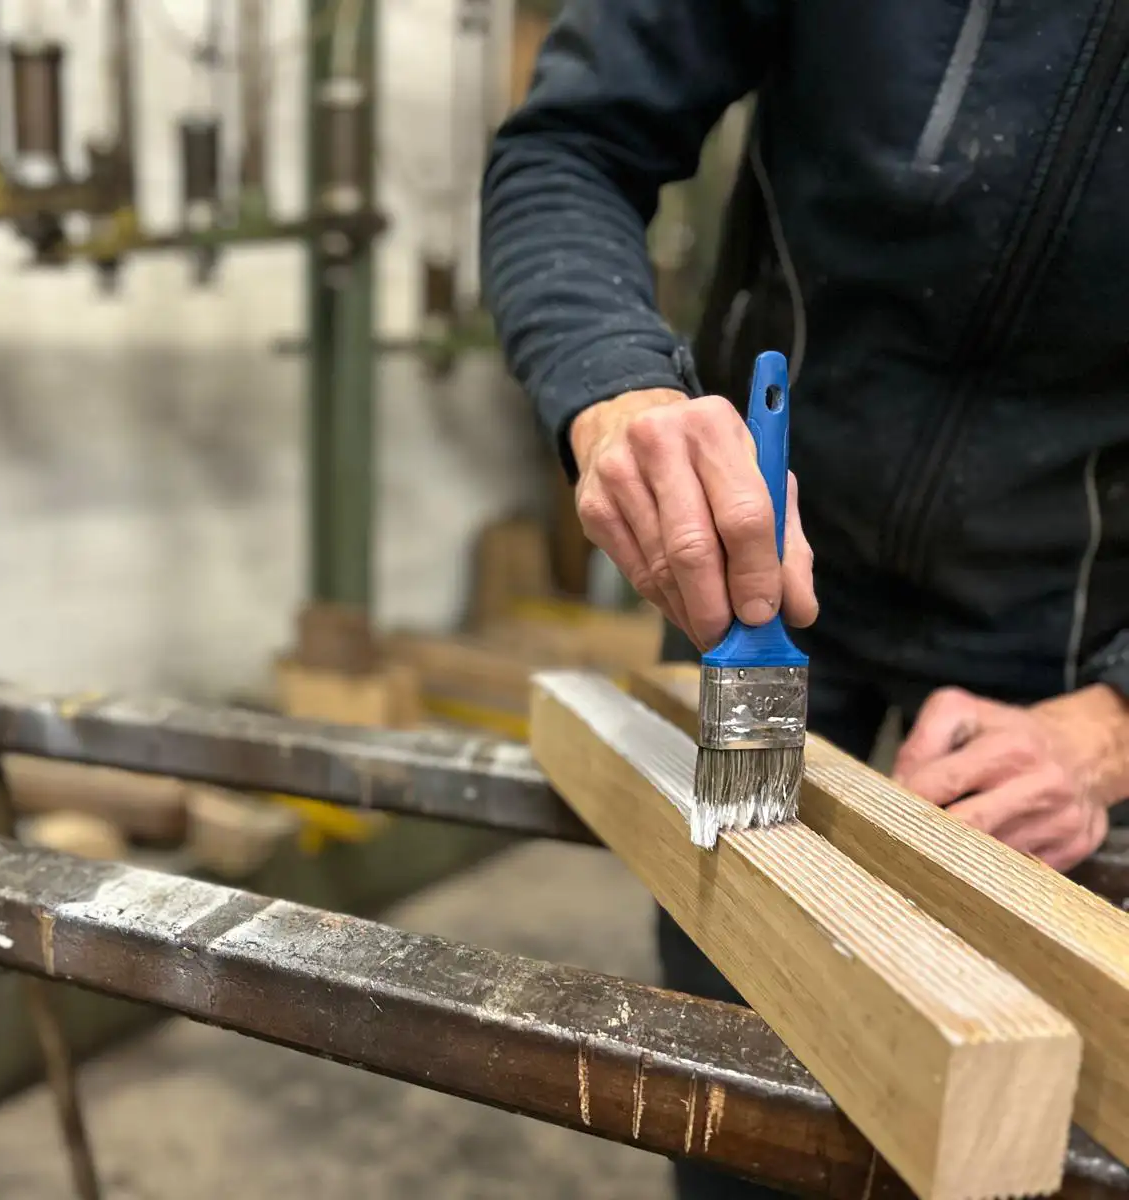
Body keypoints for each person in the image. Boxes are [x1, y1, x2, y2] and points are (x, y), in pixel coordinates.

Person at [481, 2, 1129, 1196]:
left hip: (1080, 631)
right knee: (742, 1069)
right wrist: (615, 391)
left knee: (1031, 1102)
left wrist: (1112, 724)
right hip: (752, 559)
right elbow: (568, 148)